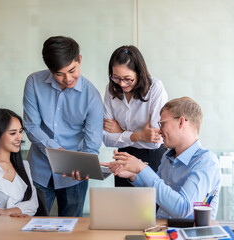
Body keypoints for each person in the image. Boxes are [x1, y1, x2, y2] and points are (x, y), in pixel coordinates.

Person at [23, 36, 103, 217]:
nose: (67, 78)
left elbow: (92, 145)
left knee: (73, 229)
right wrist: (56, 150)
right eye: (59, 73)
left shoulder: (92, 97)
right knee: (34, 226)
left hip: (74, 177)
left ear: (79, 60)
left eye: (72, 70)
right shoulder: (34, 83)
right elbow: (30, 126)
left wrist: (85, 167)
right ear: (50, 69)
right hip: (39, 170)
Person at [102, 97, 221, 219]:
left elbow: (182, 209)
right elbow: (157, 193)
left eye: (162, 123)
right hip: (159, 231)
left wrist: (142, 168)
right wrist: (134, 175)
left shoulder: (205, 162)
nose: (159, 131)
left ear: (181, 122)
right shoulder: (167, 156)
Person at [103, 45, 168, 187]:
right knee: (124, 206)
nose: (121, 84)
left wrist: (121, 133)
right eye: (116, 77)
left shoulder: (155, 88)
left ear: (139, 73)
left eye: (128, 79)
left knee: (151, 206)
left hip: (152, 156)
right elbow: (107, 139)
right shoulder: (111, 90)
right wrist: (138, 135)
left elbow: (155, 140)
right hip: (123, 157)